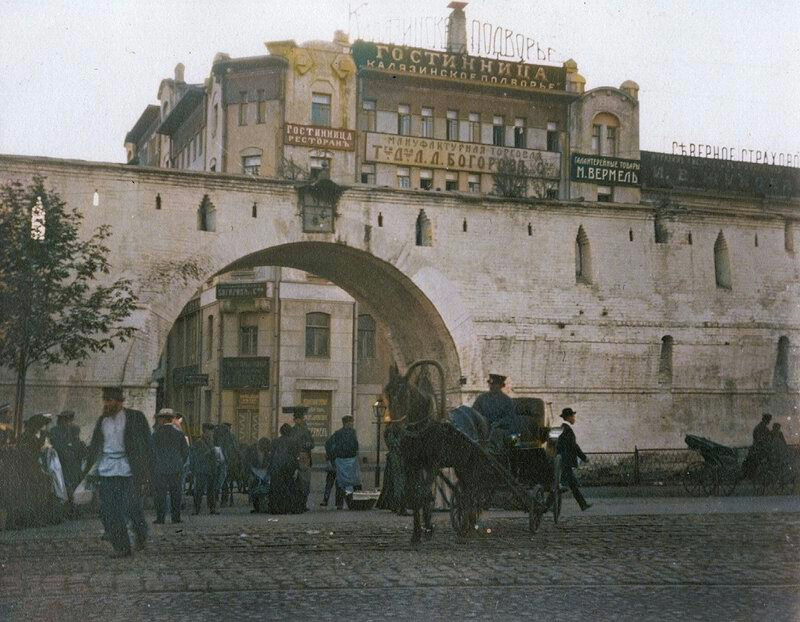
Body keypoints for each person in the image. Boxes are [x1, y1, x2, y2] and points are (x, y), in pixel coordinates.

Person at [86, 386, 152, 558]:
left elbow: (147, 444)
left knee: (132, 507)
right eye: (104, 401)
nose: (106, 404)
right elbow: (95, 446)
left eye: (109, 401)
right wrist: (89, 470)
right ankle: (122, 547)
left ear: (119, 402)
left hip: (129, 470)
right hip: (107, 470)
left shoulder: (135, 418)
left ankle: (141, 533)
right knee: (110, 510)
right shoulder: (102, 421)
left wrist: (147, 471)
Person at [150, 408, 189, 524]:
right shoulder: (179, 434)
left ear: (161, 420)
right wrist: (180, 463)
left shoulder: (155, 435)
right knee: (176, 494)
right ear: (172, 420)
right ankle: (175, 517)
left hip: (160, 468)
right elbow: (185, 452)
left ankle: (160, 518)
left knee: (160, 494)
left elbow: (150, 452)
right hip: (176, 467)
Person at [555, 407, 592, 512]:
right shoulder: (567, 430)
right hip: (565, 462)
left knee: (570, 485)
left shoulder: (563, 429)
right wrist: (584, 457)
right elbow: (574, 446)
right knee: (564, 486)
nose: (574, 418)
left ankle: (583, 505)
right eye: (573, 416)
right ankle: (546, 506)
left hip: (563, 461)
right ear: (569, 417)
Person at [49, 410, 86, 508]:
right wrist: (67, 449)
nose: (67, 422)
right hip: (62, 461)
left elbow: (76, 443)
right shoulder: (55, 430)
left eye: (69, 420)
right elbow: (56, 445)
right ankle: (65, 506)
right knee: (63, 483)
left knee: (74, 483)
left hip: (73, 461)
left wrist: (74, 449)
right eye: (65, 420)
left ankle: (74, 506)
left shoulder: (75, 429)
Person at [324, 415, 361, 509]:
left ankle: (351, 502)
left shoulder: (352, 433)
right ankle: (345, 503)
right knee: (343, 483)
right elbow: (328, 444)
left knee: (348, 482)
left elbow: (355, 446)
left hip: (349, 460)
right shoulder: (339, 433)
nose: (351, 424)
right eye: (350, 423)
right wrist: (333, 458)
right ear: (345, 423)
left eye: (352, 422)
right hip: (343, 460)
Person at [268, 423, 300, 514]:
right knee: (289, 487)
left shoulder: (275, 441)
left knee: (276, 488)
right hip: (289, 467)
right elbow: (296, 456)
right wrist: (296, 468)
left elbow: (271, 455)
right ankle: (288, 507)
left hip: (276, 467)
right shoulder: (294, 442)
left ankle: (276, 508)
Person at [189, 423, 219, 515]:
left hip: (211, 469)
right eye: (210, 431)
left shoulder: (212, 442)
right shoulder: (199, 442)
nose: (211, 433)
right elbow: (196, 456)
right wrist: (209, 452)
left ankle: (212, 508)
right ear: (205, 431)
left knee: (211, 490)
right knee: (199, 490)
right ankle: (196, 508)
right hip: (202, 470)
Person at [290, 407, 314, 512]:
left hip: (305, 458)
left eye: (302, 418)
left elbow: (312, 444)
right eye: (299, 418)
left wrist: (308, 444)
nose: (301, 420)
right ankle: (297, 504)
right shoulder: (292, 431)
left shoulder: (306, 430)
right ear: (295, 420)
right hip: (296, 458)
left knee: (305, 482)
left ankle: (303, 503)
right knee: (297, 483)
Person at [244, 437, 272, 513]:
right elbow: (247, 462)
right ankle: (256, 506)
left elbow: (269, 462)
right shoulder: (251, 450)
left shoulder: (267, 452)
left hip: (264, 472)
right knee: (254, 487)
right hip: (253, 471)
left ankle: (263, 505)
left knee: (265, 488)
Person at [742, 413, 773, 479]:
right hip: (759, 449)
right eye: (769, 420)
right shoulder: (762, 428)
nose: (769, 422)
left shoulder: (760, 427)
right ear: (766, 420)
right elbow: (761, 440)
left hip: (758, 448)